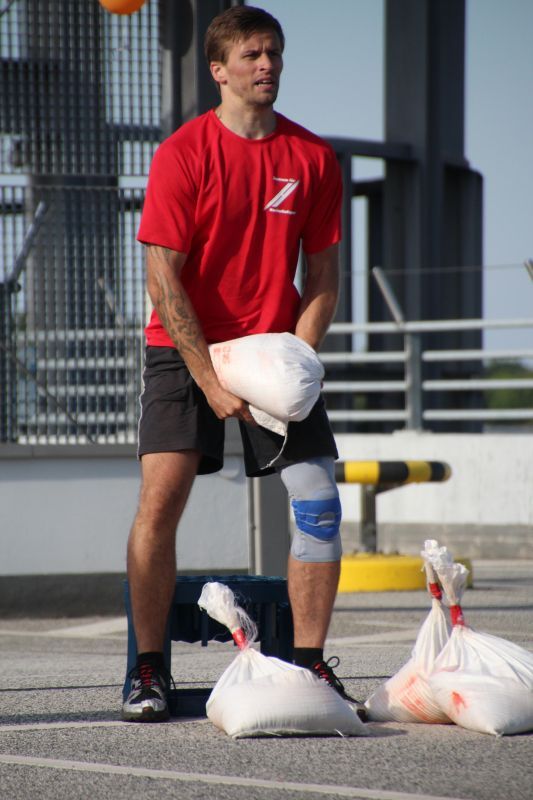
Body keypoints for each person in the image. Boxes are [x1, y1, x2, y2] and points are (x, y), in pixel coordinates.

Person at [122, 5, 364, 723]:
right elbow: (162, 279)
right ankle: (147, 669)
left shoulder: (311, 157)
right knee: (161, 500)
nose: (267, 66)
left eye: (274, 54)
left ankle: (310, 664)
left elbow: (323, 277)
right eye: (252, 55)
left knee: (318, 500)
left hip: (269, 346)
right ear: (218, 70)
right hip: (183, 346)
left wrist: (295, 362)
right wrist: (207, 377)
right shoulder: (183, 154)